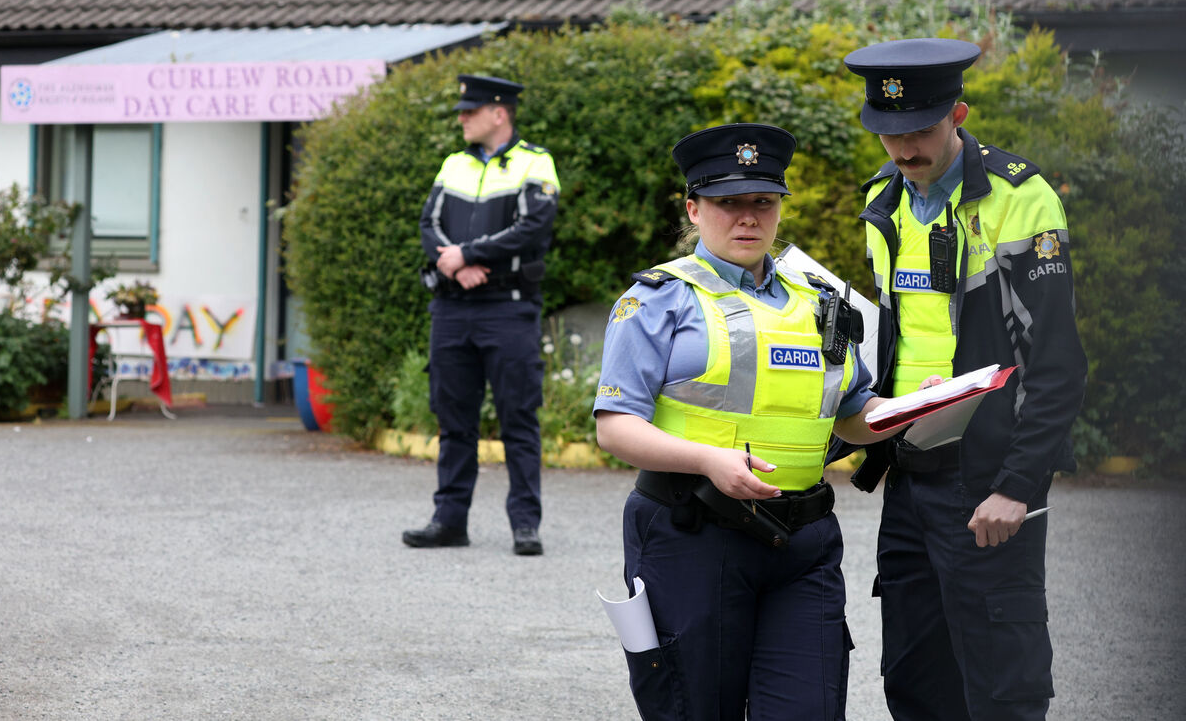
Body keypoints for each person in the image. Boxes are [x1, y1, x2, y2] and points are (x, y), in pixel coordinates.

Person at [593, 122, 914, 721]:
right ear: (694, 208)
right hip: (694, 535)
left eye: (762, 203)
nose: (747, 218)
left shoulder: (823, 301)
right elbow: (615, 427)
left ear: (778, 210)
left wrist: (906, 412)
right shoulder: (659, 299)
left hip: (803, 543)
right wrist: (710, 461)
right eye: (728, 203)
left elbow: (850, 416)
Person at [842, 38, 1088, 721]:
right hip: (912, 474)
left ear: (959, 112)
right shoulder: (882, 202)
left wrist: (1018, 484)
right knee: (915, 681)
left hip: (986, 480)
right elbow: (894, 336)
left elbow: (1059, 364)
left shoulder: (1019, 198)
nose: (903, 147)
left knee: (1002, 687)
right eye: (888, 132)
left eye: (919, 129)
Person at [406, 74, 560, 556]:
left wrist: (467, 254)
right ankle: (449, 521)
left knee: (519, 417)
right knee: (453, 420)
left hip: (508, 310)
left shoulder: (536, 162)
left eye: (469, 111)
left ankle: (525, 525)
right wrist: (455, 264)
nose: (461, 118)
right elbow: (428, 224)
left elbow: (534, 227)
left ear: (499, 113)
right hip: (452, 308)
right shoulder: (452, 164)